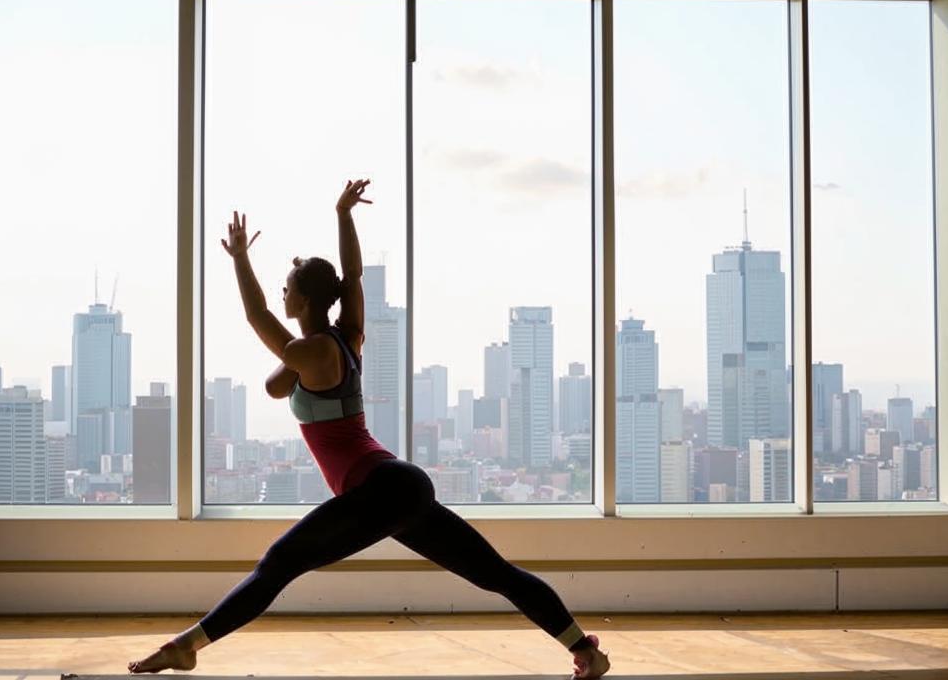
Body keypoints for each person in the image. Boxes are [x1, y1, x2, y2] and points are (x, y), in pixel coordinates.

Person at [129, 179, 610, 679]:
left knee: (278, 564)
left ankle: (187, 646)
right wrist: (342, 214)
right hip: (400, 484)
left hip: (381, 488)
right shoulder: (343, 336)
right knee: (496, 574)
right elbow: (348, 280)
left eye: (288, 288)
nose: (282, 293)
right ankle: (585, 651)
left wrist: (240, 262)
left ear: (305, 299)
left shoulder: (311, 352)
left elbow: (258, 315)